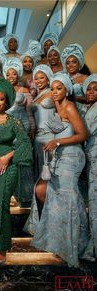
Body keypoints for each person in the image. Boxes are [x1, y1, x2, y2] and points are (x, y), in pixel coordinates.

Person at [24, 73, 90, 268]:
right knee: (47, 193)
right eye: (52, 88)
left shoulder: (69, 106)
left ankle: (73, 247)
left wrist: (57, 141)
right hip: (60, 157)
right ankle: (65, 242)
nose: (54, 92)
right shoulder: (56, 107)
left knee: (69, 199)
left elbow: (82, 134)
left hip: (73, 157)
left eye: (58, 88)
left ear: (67, 90)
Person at [0, 78, 32, 264]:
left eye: (1, 99)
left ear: (6, 101)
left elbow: (25, 144)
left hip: (7, 168)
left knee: (2, 205)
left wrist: (9, 156)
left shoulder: (14, 121)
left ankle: (2, 250)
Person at [3, 58, 35, 207]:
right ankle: (11, 198)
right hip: (7, 130)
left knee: (23, 160)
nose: (11, 77)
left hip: (23, 127)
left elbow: (29, 112)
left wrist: (32, 128)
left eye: (14, 74)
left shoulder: (25, 91)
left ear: (18, 75)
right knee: (11, 162)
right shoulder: (2, 90)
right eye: (8, 74)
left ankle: (25, 199)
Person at [81, 74, 97, 262]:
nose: (91, 92)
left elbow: (85, 132)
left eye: (95, 89)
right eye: (89, 89)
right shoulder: (88, 108)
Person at [31, 64, 55, 181]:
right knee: (41, 174)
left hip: (50, 136)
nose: (38, 80)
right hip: (37, 139)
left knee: (52, 171)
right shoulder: (34, 97)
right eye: (36, 78)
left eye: (42, 77)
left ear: (48, 78)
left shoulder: (52, 92)